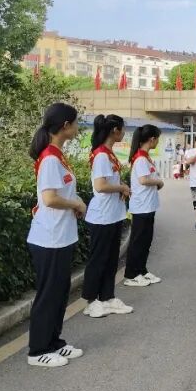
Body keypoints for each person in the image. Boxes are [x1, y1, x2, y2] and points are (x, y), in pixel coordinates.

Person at [27, 103, 87, 368]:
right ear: (65, 126)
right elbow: (50, 198)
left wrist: (75, 203)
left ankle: (54, 342)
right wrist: (76, 204)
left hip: (61, 236)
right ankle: (38, 350)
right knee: (48, 295)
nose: (77, 127)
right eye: (75, 122)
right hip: (48, 238)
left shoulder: (57, 156)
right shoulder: (51, 158)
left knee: (60, 293)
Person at [81, 115, 133, 319]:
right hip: (102, 216)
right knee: (98, 260)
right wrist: (122, 187)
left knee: (111, 260)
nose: (124, 133)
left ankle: (107, 297)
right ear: (115, 131)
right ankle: (91, 301)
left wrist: (121, 187)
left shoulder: (108, 153)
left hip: (113, 214)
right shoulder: (102, 155)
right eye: (122, 129)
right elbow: (100, 185)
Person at [124, 124, 165, 288]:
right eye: (158, 139)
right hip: (141, 206)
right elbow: (143, 180)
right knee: (138, 242)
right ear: (152, 139)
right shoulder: (141, 158)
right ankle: (131, 275)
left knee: (146, 241)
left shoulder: (145, 157)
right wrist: (159, 182)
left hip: (148, 205)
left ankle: (142, 270)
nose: (158, 142)